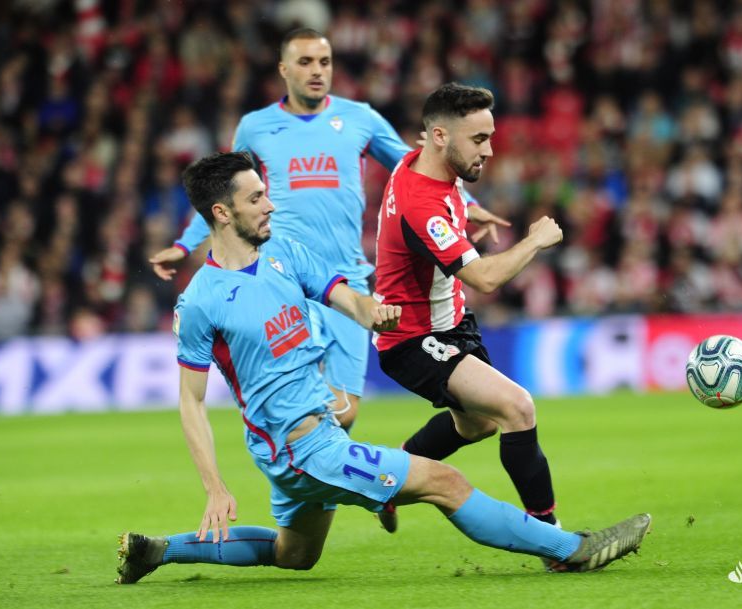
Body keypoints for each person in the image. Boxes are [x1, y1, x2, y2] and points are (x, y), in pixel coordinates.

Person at [116, 152, 651, 584]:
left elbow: (343, 296)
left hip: (308, 439)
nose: (270, 206)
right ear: (222, 213)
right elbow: (190, 401)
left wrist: (373, 311)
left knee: (295, 554)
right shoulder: (202, 301)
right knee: (445, 481)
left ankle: (159, 551)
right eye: (256, 197)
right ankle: (571, 549)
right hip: (302, 450)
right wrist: (215, 487)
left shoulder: (284, 255)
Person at [148, 28, 502, 432]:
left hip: (346, 279)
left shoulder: (360, 119)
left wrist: (468, 207)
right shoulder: (256, 127)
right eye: (305, 62)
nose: (317, 71)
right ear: (283, 69)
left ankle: (311, 471)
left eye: (325, 61)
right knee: (307, 402)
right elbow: (223, 192)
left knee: (344, 414)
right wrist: (183, 244)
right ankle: (284, 440)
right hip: (285, 276)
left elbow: (419, 166)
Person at [374, 83, 570, 555]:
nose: (490, 149)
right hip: (411, 337)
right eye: (479, 139)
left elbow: (446, 198)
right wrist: (536, 240)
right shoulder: (423, 203)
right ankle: (553, 538)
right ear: (440, 136)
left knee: (475, 426)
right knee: (517, 408)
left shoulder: (424, 160)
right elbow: (482, 277)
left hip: (451, 325)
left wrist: (468, 211)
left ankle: (391, 475)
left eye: (490, 135)